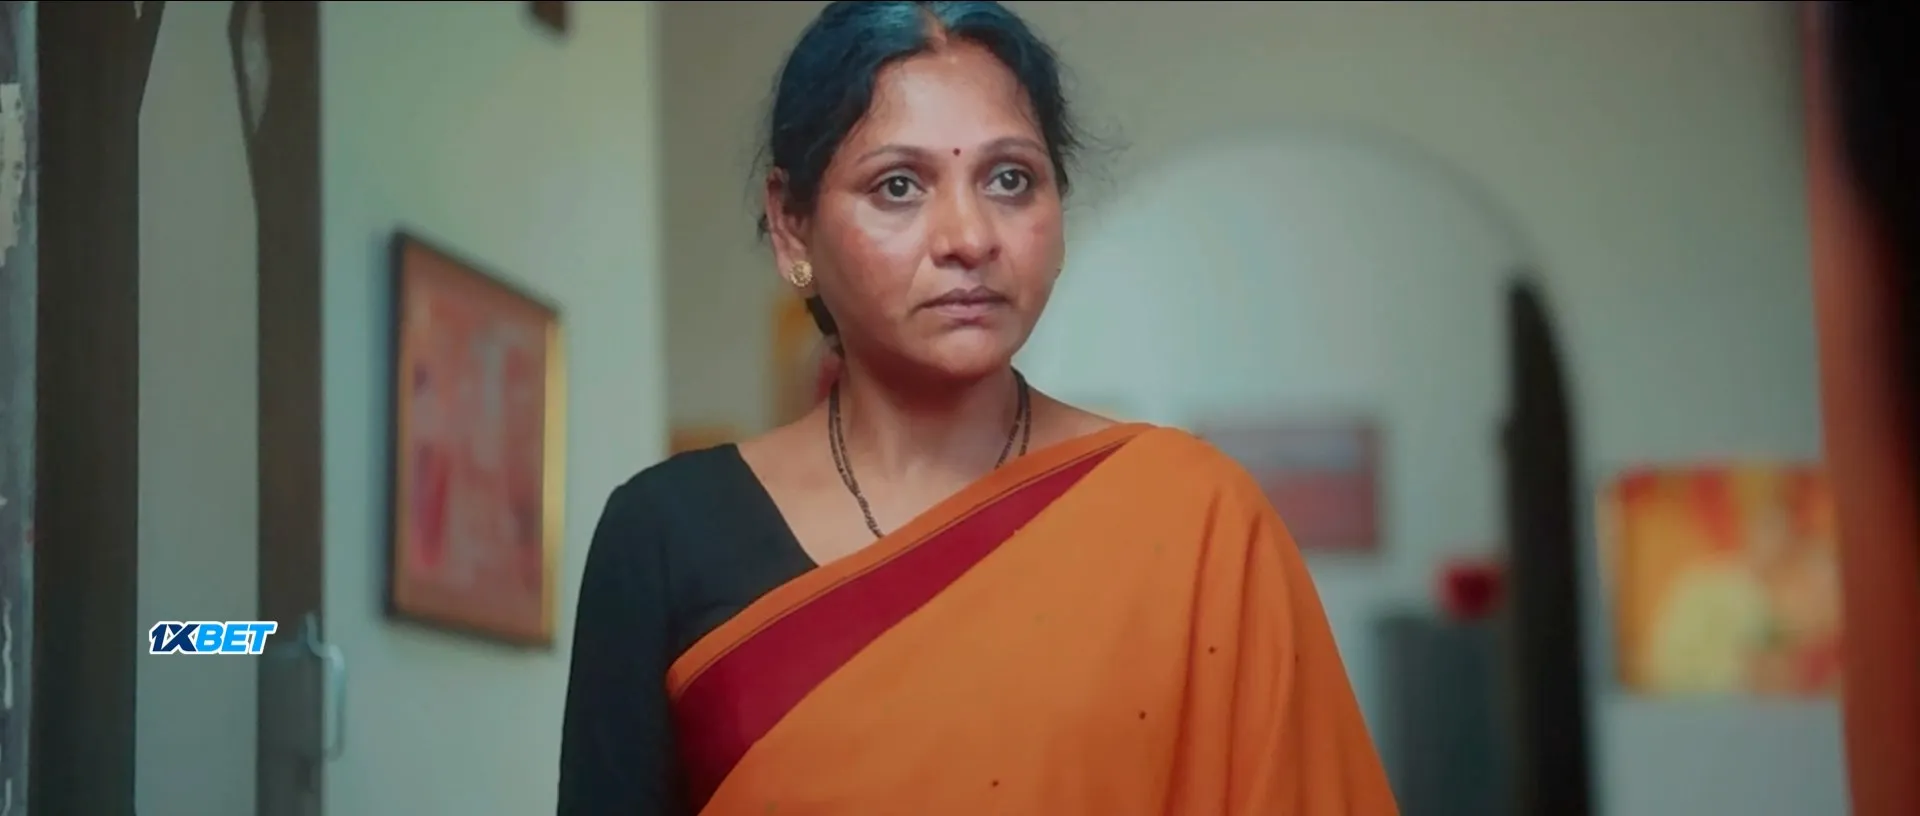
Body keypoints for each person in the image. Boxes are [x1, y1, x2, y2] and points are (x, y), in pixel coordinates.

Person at [557, 2, 1395, 813]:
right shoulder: (663, 535)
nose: (969, 237)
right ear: (791, 226)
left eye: (1009, 179)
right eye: (898, 186)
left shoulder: (1198, 519)